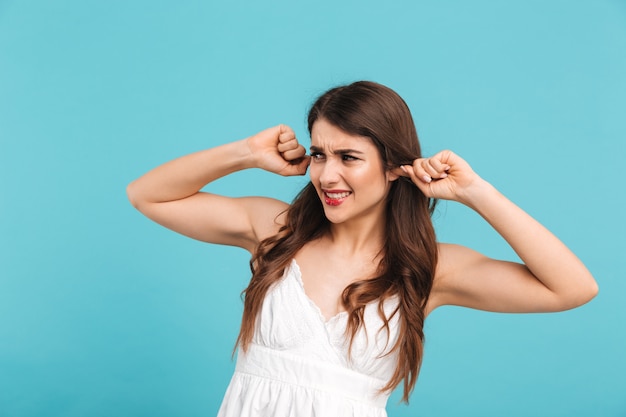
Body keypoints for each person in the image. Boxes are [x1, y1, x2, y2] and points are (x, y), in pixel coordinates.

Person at [126, 81, 598, 416]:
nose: (327, 176)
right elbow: (147, 195)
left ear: (394, 166)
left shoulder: (428, 269)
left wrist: (477, 192)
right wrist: (247, 153)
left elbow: (573, 289)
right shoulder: (276, 231)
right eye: (319, 154)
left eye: (349, 157)